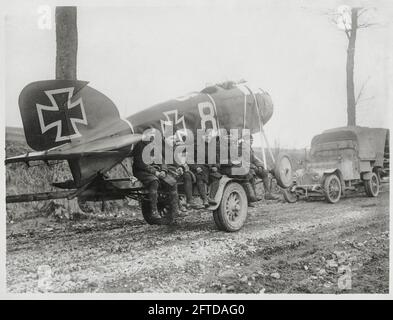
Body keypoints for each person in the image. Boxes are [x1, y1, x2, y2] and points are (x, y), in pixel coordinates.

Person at [131, 139, 179, 225]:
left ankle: (175, 210)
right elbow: (141, 163)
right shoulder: (140, 146)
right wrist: (155, 172)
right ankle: (154, 210)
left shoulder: (154, 143)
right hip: (142, 171)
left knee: (172, 182)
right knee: (154, 181)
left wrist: (164, 170)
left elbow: (161, 160)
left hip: (156, 170)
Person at [240, 133, 280, 202]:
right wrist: (254, 166)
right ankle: (253, 196)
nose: (251, 142)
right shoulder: (241, 148)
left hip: (251, 166)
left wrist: (262, 166)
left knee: (264, 172)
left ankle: (268, 194)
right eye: (250, 140)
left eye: (252, 140)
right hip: (243, 167)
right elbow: (242, 161)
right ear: (245, 140)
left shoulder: (249, 148)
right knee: (251, 174)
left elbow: (254, 160)